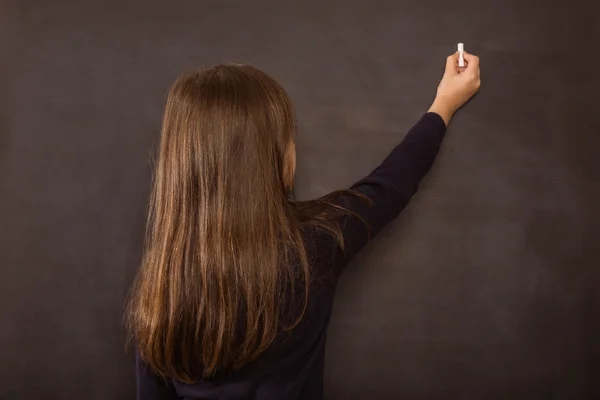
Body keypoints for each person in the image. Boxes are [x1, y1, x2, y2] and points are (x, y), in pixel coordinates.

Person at [125, 50, 481, 400]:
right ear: (269, 158)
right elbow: (390, 185)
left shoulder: (162, 281)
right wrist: (444, 104)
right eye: (287, 137)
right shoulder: (314, 245)